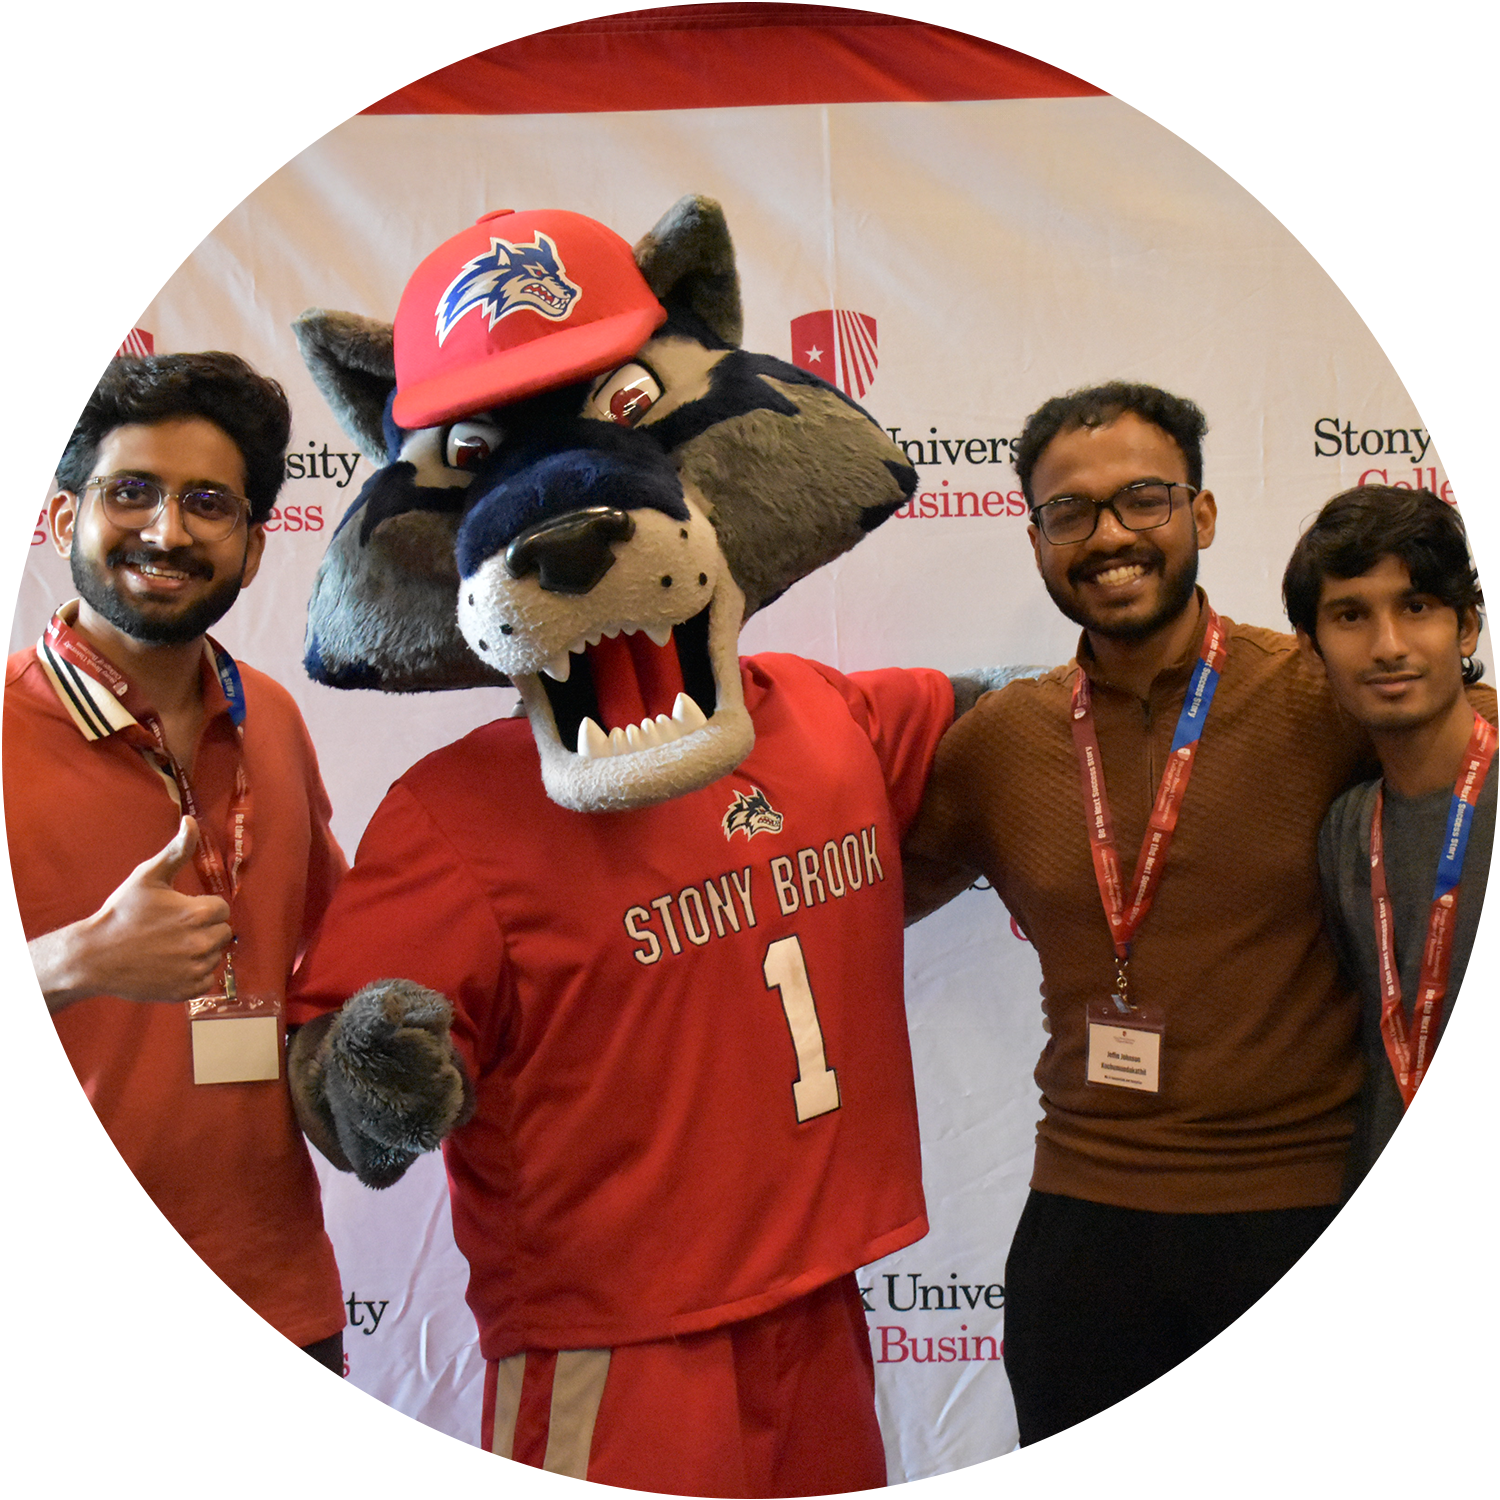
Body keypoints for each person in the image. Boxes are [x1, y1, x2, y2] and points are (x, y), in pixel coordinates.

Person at [901, 383, 1497, 1498]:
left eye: (1143, 499)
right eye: (1070, 512)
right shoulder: (1000, 744)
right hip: (1086, 1233)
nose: (1111, 534)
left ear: (1203, 515)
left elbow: (1469, 741)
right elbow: (860, 898)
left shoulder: (1321, 690)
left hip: (1297, 1234)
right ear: (1035, 539)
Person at [2, 352, 347, 1499]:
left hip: (280, 1324)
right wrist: (77, 963)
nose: (167, 530)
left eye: (208, 503)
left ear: (253, 543)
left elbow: (342, 957)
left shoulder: (278, 722)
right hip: (60, 1341)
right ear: (65, 516)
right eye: (131, 492)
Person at [1283, 486, 1497, 1498]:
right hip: (1393, 1355)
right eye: (1351, 614)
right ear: (1314, 646)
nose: (1388, 643)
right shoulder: (1342, 833)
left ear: (1465, 624)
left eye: (1416, 607)